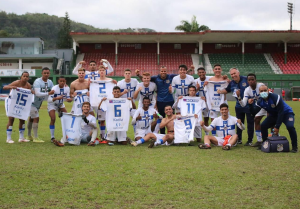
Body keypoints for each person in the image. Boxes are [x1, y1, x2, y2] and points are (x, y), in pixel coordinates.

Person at [249, 84, 298, 153]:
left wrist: (277, 127)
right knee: (263, 126)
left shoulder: (276, 97)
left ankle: (294, 147)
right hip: (274, 115)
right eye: (261, 91)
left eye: (265, 90)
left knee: (290, 126)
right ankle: (265, 144)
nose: (263, 92)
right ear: (259, 92)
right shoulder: (260, 101)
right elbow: (253, 112)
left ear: (268, 90)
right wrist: (250, 105)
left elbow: (281, 112)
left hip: (286, 113)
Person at [217, 68, 254, 146]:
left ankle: (250, 140)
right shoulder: (232, 83)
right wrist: (220, 91)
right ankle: (239, 139)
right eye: (232, 74)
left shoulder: (246, 79)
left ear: (238, 72)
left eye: (234, 73)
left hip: (248, 105)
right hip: (238, 106)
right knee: (239, 122)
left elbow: (253, 87)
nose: (233, 75)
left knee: (250, 123)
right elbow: (227, 90)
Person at [136, 66, 176, 134]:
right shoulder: (155, 78)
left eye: (164, 71)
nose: (163, 72)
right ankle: (162, 134)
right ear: (159, 71)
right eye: (162, 71)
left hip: (170, 100)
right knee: (160, 118)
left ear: (166, 71)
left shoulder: (171, 76)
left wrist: (190, 70)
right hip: (160, 102)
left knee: (172, 118)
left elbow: (182, 74)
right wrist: (138, 75)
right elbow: (145, 79)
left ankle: (174, 134)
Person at [237, 73, 266, 147]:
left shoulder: (261, 86)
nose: (251, 81)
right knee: (256, 119)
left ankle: (274, 136)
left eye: (252, 79)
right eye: (249, 80)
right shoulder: (247, 90)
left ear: (255, 80)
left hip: (268, 105)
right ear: (247, 81)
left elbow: (267, 95)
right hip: (261, 107)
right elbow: (243, 104)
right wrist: (239, 97)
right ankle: (259, 140)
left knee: (271, 120)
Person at [3, 71, 33, 143]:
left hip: (21, 103)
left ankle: (21, 138)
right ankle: (8, 138)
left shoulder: (28, 85)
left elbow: (29, 94)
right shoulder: (17, 82)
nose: (25, 78)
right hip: (12, 102)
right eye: (24, 76)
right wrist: (12, 87)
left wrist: (32, 92)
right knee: (11, 119)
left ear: (28, 78)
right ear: (21, 77)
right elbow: (5, 87)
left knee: (22, 119)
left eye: (27, 76)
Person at [27, 67, 54, 142]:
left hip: (38, 103)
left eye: (47, 73)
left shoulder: (50, 82)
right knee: (36, 118)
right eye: (44, 73)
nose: (46, 74)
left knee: (31, 118)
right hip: (32, 102)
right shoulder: (37, 81)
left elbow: (53, 90)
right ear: (41, 73)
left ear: (49, 73)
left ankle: (29, 136)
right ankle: (35, 137)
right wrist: (48, 93)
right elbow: (37, 93)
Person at [47, 76, 73, 142]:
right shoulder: (54, 88)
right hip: (52, 105)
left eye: (63, 81)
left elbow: (67, 98)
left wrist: (70, 100)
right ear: (58, 81)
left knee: (67, 118)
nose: (62, 82)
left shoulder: (67, 88)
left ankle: (67, 135)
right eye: (60, 81)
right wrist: (56, 98)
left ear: (65, 81)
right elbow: (49, 99)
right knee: (53, 118)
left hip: (60, 104)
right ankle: (52, 137)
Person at [194, 67, 211, 133]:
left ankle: (207, 133)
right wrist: (197, 89)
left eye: (202, 72)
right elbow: (192, 93)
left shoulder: (209, 79)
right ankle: (198, 134)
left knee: (206, 118)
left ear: (205, 72)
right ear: (198, 73)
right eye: (200, 72)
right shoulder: (195, 81)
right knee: (198, 118)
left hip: (207, 101)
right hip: (199, 102)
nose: (201, 74)